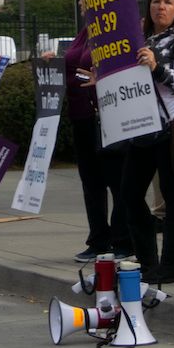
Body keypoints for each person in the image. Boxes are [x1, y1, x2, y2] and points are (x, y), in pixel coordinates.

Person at [111, 0, 174, 282]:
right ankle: (148, 263)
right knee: (129, 194)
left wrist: (158, 67)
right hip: (141, 129)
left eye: (167, 2)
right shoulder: (142, 38)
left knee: (173, 199)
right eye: (156, 2)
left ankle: (172, 264)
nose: (161, 7)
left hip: (171, 128)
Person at [63, 16, 124, 264]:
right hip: (81, 117)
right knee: (91, 182)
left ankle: (121, 239)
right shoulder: (84, 31)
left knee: (116, 180)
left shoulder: (113, 29)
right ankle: (98, 239)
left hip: (106, 115)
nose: (82, 3)